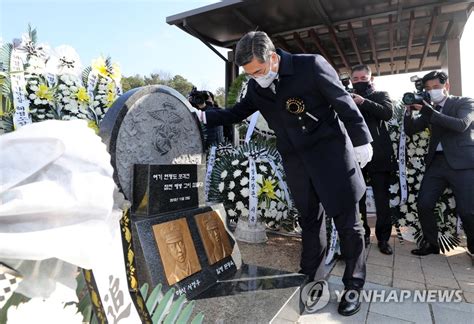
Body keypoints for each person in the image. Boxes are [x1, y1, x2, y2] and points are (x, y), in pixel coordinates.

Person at [196, 31, 373, 316]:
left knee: (348, 225)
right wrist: (203, 116)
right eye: (249, 74)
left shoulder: (311, 66)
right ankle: (307, 279)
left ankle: (353, 286)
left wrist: (362, 140)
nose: (256, 78)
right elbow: (236, 113)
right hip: (298, 163)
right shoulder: (257, 87)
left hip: (332, 158)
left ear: (274, 58)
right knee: (309, 222)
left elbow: (343, 101)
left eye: (258, 70)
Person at [404, 71, 474, 256]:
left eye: (436, 87)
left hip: (462, 164)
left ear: (447, 87)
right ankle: (431, 244)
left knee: (468, 211)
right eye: (428, 88)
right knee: (424, 204)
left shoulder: (464, 102)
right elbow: (411, 130)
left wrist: (429, 111)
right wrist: (409, 111)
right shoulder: (430, 109)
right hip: (437, 163)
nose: (432, 91)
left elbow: (461, 125)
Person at [350, 64, 395, 255]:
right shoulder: (346, 97)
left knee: (381, 199)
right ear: (351, 81)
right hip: (354, 156)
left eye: (363, 78)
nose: (360, 82)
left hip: (379, 156)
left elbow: (387, 113)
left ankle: (383, 239)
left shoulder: (381, 95)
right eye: (356, 79)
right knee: (357, 197)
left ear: (371, 79)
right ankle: (363, 235)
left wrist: (363, 102)